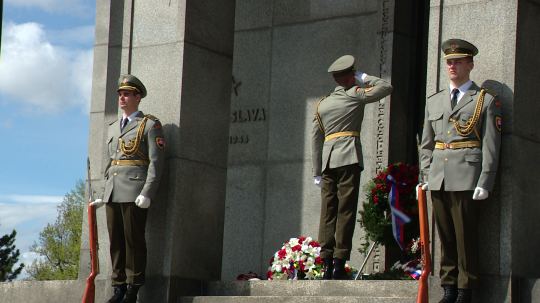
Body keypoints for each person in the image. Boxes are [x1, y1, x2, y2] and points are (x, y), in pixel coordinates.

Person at [420, 39, 501, 303]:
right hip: (439, 178)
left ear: (470, 64)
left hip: (468, 176)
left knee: (466, 235)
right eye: (449, 62)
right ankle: (449, 287)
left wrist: (485, 181)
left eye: (458, 61)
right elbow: (427, 144)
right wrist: (425, 176)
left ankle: (466, 290)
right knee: (445, 236)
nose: (452, 66)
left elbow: (491, 144)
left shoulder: (484, 100)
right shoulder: (435, 101)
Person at [311, 55, 393, 280]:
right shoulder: (355, 95)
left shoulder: (322, 104)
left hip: (328, 162)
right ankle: (338, 264)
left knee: (327, 213)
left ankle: (326, 264)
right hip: (348, 158)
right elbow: (385, 87)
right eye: (354, 75)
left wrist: (316, 171)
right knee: (345, 210)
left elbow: (316, 140)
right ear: (350, 76)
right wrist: (365, 77)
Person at [90, 74, 165, 303]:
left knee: (134, 240)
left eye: (126, 94)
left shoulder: (150, 125)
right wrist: (103, 193)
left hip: (135, 191)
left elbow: (157, 162)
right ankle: (119, 286)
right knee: (116, 242)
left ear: (137, 96)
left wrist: (148, 192)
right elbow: (109, 162)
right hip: (113, 191)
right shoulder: (113, 127)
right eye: (120, 94)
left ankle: (134, 287)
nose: (122, 98)